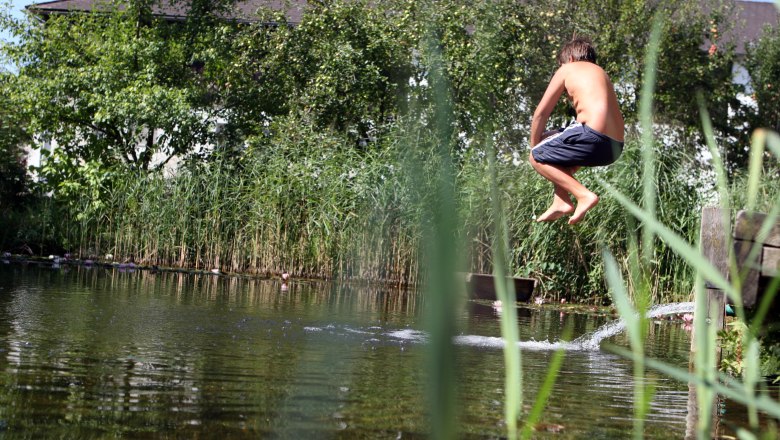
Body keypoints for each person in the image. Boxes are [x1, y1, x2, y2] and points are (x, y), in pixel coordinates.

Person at [529, 37, 625, 225]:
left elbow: (541, 113)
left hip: (591, 136)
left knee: (538, 153)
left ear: (570, 59)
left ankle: (583, 195)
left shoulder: (567, 69)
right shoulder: (602, 73)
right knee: (556, 151)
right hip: (614, 147)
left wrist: (535, 152)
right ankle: (561, 200)